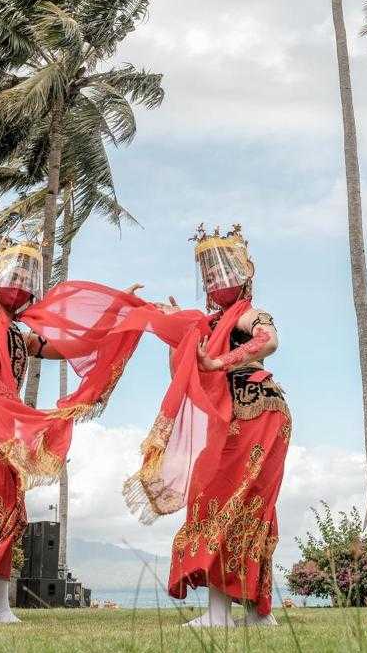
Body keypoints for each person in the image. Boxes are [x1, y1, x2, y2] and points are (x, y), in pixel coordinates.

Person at [0, 238, 144, 624]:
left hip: (2, 426)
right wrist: (15, 407)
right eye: (15, 273)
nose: (21, 282)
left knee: (10, 509)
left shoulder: (21, 337)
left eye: (27, 276)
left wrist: (117, 314)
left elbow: (73, 346)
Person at [124, 225, 292, 627]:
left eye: (223, 269)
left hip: (256, 410)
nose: (215, 278)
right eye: (208, 272)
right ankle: (255, 612)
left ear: (245, 274)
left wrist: (220, 362)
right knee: (246, 505)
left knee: (224, 499)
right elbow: (185, 366)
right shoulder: (211, 323)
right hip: (240, 415)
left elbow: (268, 340)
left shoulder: (248, 315)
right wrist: (168, 328)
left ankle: (221, 614)